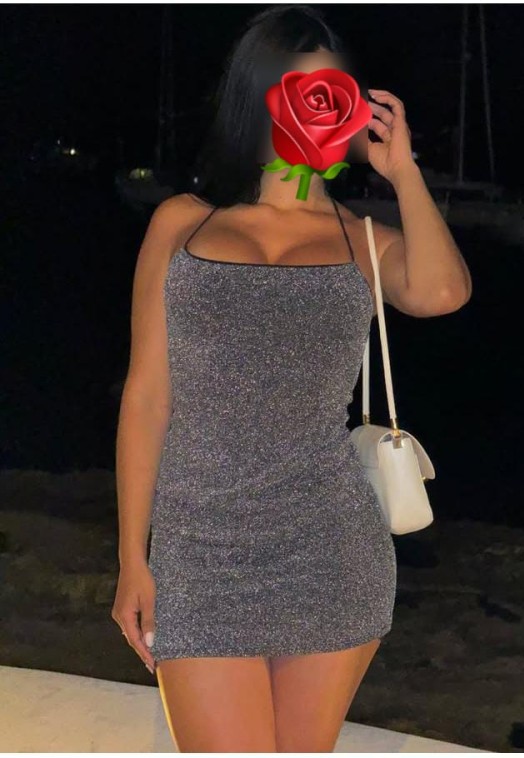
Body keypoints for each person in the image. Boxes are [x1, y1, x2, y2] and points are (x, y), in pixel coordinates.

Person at [112, 4, 471, 752]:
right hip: (199, 552)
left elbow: (442, 292)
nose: (315, 112)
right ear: (259, 98)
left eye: (330, 94)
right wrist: (131, 558)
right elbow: (147, 398)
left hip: (331, 548)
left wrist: (403, 172)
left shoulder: (363, 239)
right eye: (298, 91)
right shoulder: (182, 222)